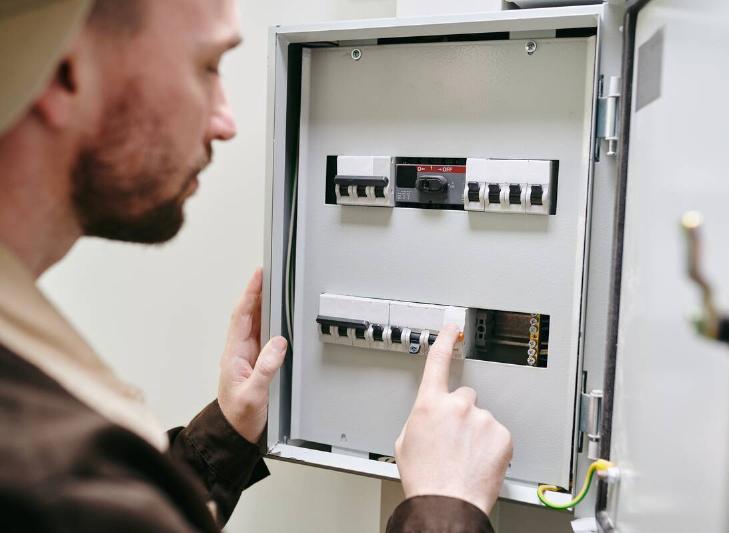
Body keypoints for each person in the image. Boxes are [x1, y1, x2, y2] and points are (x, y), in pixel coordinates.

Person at [0, 1, 513, 531]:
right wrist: (444, 508)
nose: (226, 122)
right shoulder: (52, 471)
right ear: (66, 73)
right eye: (207, 67)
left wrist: (227, 432)